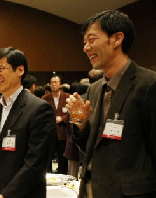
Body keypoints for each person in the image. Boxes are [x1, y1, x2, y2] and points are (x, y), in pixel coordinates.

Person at [66, 10, 156, 198]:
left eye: (91, 40)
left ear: (117, 39)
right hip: (91, 188)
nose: (86, 48)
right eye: (84, 43)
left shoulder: (148, 84)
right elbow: (93, 147)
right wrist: (81, 124)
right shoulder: (95, 89)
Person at [0, 47, 56, 198]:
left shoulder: (38, 109)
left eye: (1, 69)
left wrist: (6, 195)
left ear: (20, 70)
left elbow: (36, 163)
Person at [42, 74, 70, 175]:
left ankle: (63, 176)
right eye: (51, 83)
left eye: (55, 82)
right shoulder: (45, 99)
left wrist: (62, 118)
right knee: (48, 157)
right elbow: (41, 114)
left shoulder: (67, 97)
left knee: (63, 158)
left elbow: (71, 113)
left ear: (60, 84)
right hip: (49, 132)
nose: (53, 84)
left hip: (63, 132)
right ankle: (47, 177)